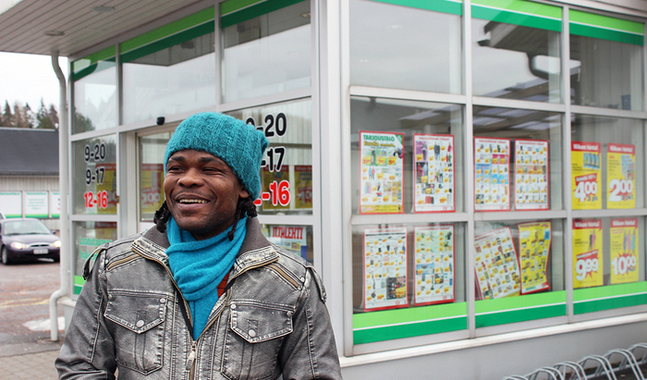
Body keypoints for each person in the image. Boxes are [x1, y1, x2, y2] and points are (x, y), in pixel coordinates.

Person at [56, 112, 343, 379]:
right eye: (176, 167)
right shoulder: (115, 267)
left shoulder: (291, 282)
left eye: (210, 169)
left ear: (243, 186)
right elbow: (80, 366)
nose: (188, 179)